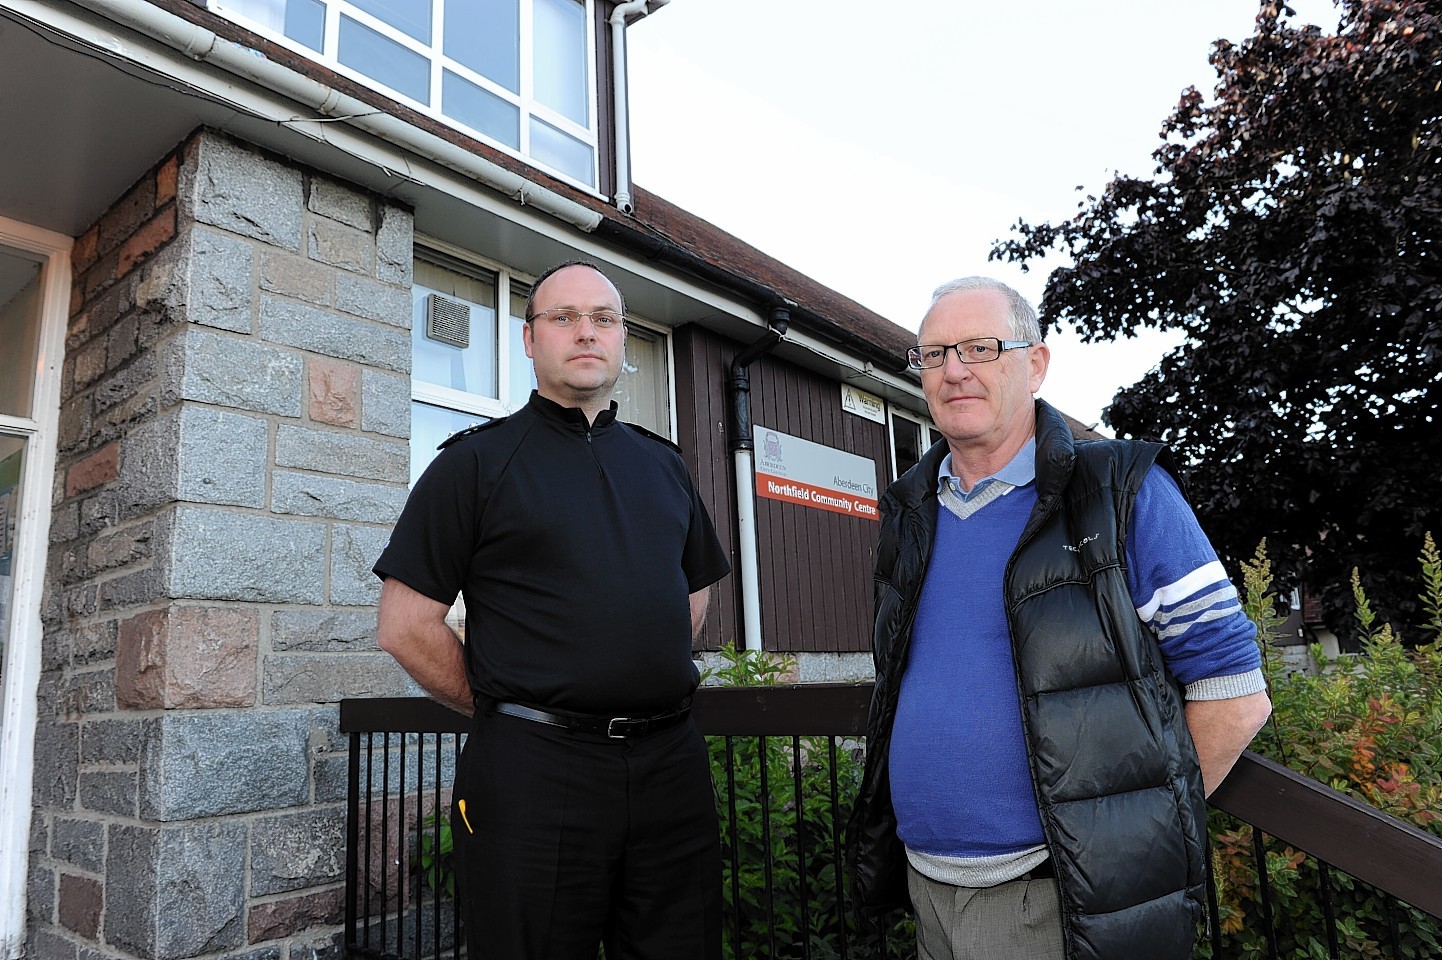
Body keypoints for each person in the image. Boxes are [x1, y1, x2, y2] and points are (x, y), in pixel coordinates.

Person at [847, 277, 1272, 960]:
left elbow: (1234, 693)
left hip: (1050, 896)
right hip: (925, 884)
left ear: (1035, 363)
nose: (954, 370)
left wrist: (1138, 835)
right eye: (933, 354)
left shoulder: (1118, 492)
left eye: (979, 348)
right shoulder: (909, 514)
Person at [373, 260, 730, 960]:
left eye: (603, 319)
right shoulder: (473, 465)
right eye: (563, 318)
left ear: (622, 338)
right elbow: (405, 625)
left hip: (671, 772)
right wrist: (509, 705)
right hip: (535, 776)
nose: (585, 332)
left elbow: (692, 592)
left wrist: (633, 669)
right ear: (530, 340)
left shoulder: (665, 466)